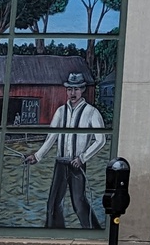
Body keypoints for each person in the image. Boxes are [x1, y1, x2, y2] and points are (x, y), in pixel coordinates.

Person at [31, 72, 105, 230]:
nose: (73, 93)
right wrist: (37, 156)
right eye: (70, 89)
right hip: (60, 163)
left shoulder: (91, 112)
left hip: (77, 165)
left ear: (82, 90)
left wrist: (82, 158)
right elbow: (51, 137)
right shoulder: (60, 112)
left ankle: (94, 233)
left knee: (79, 204)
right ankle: (54, 235)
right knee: (52, 204)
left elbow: (101, 140)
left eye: (76, 89)